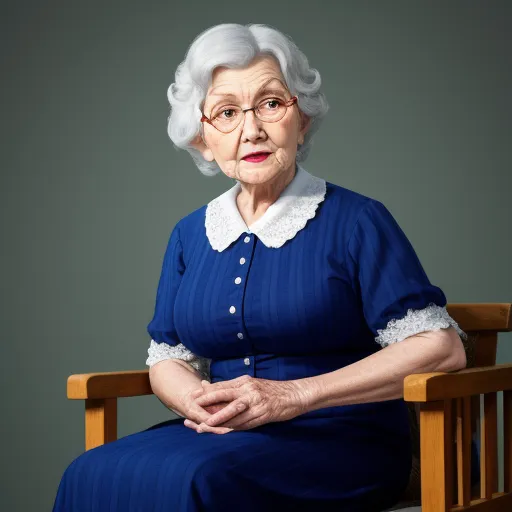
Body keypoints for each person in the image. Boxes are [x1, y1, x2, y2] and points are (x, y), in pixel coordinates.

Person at [53, 23, 468, 512]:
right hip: (223, 436)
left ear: (302, 119)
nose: (251, 129)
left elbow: (440, 349)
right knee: (90, 472)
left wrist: (294, 395)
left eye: (271, 104)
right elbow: (168, 357)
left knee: (198, 481)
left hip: (342, 440)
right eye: (227, 113)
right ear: (203, 138)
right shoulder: (190, 234)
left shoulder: (358, 220)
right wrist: (192, 401)